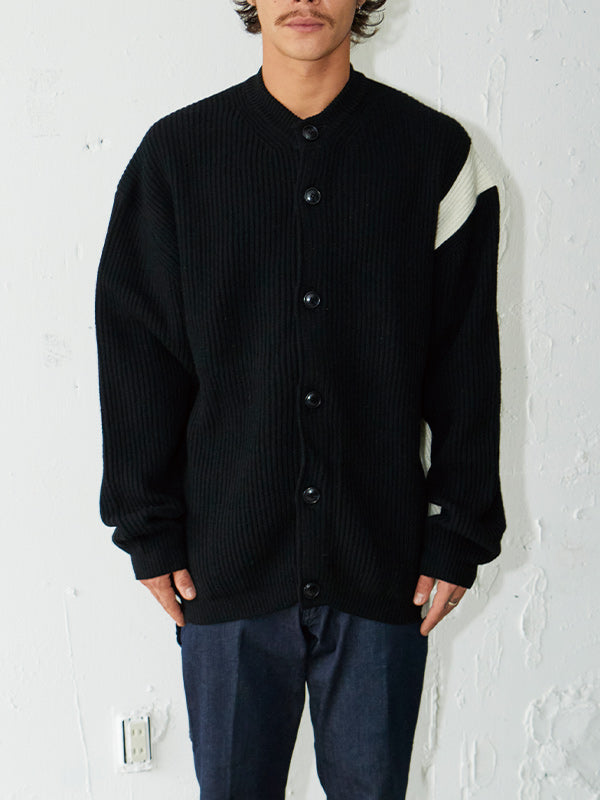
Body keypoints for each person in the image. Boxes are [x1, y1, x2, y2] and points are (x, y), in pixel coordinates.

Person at [95, 0, 507, 797]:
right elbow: (138, 354)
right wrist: (147, 527)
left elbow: (466, 361)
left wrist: (458, 530)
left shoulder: (434, 155)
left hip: (382, 565)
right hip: (224, 568)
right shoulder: (178, 157)